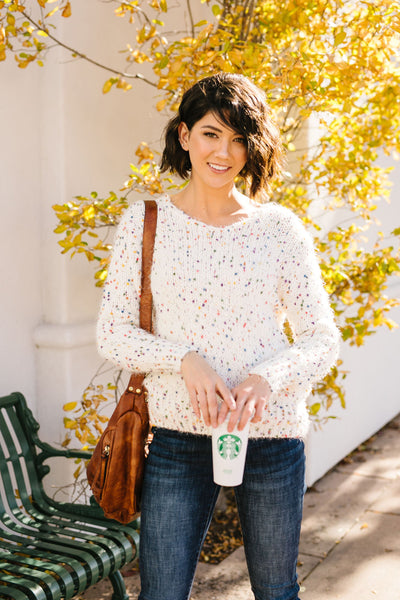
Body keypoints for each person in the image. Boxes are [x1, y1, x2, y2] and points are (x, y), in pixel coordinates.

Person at [97, 73, 340, 600]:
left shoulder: (280, 230)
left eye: (238, 139)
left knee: (277, 591)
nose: (224, 152)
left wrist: (266, 378)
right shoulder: (145, 221)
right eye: (211, 134)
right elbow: (113, 333)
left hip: (270, 437)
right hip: (178, 438)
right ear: (184, 136)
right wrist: (184, 358)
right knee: (161, 593)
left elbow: (322, 338)